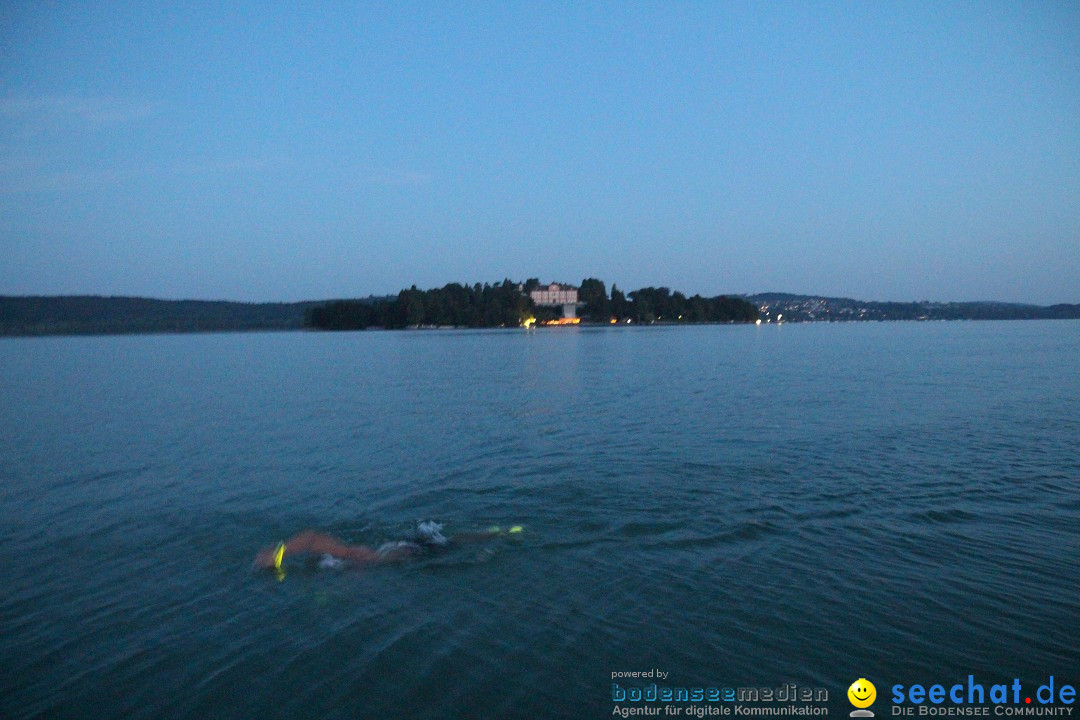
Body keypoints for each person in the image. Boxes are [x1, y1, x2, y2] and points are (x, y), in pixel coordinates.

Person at [253, 521, 521, 572]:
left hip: (404, 553)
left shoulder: (356, 557)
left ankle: (500, 532)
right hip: (407, 549)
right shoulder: (353, 559)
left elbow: (312, 539)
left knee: (450, 544)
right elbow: (313, 541)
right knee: (451, 542)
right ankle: (499, 531)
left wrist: (278, 555)